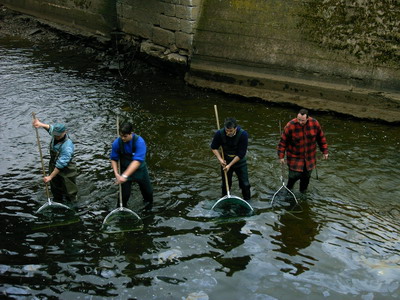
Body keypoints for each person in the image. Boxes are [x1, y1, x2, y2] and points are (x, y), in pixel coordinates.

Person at [277, 108, 328, 193]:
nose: (300, 122)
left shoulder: (315, 123)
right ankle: (288, 193)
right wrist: (281, 156)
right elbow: (283, 142)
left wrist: (325, 151)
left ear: (307, 118)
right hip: (294, 159)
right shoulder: (290, 125)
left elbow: (321, 138)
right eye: (299, 119)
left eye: (302, 120)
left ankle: (303, 195)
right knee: (292, 179)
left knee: (305, 180)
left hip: (309, 159)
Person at [32, 118, 78, 202]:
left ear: (64, 132)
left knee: (69, 189)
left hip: (67, 169)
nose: (56, 137)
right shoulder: (56, 133)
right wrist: (40, 124)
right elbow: (50, 128)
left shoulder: (67, 147)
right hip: (53, 164)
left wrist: (50, 176)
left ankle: (73, 204)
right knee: (55, 187)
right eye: (55, 135)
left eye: (58, 135)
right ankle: (58, 199)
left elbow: (61, 164)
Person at [110, 122, 153, 210]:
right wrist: (117, 174)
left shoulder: (139, 142)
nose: (122, 138)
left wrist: (124, 175)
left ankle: (148, 210)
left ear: (131, 133)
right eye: (121, 136)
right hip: (124, 170)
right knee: (124, 196)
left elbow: (137, 161)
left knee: (148, 193)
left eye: (125, 136)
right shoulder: (117, 143)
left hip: (140, 171)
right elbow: (114, 159)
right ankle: (121, 212)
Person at [211, 117, 251, 201]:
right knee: (225, 185)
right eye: (227, 130)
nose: (228, 133)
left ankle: (247, 200)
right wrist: (220, 159)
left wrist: (230, 165)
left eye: (231, 131)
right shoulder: (219, 134)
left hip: (240, 162)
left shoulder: (243, 135)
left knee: (245, 184)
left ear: (235, 128)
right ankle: (225, 199)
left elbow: (241, 154)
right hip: (225, 161)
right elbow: (214, 147)